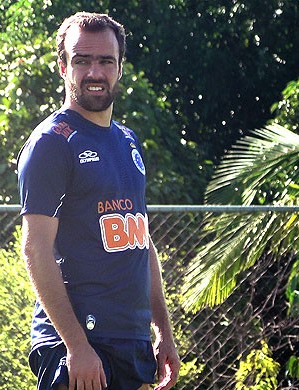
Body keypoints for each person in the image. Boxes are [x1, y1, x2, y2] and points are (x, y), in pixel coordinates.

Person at [17, 12, 180, 390]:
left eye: (106, 61)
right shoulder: (52, 143)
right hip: (79, 346)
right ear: (62, 67)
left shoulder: (127, 140)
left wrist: (163, 332)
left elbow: (141, 242)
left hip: (130, 341)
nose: (95, 71)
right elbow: (35, 248)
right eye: (81, 60)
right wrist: (76, 345)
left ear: (120, 68)